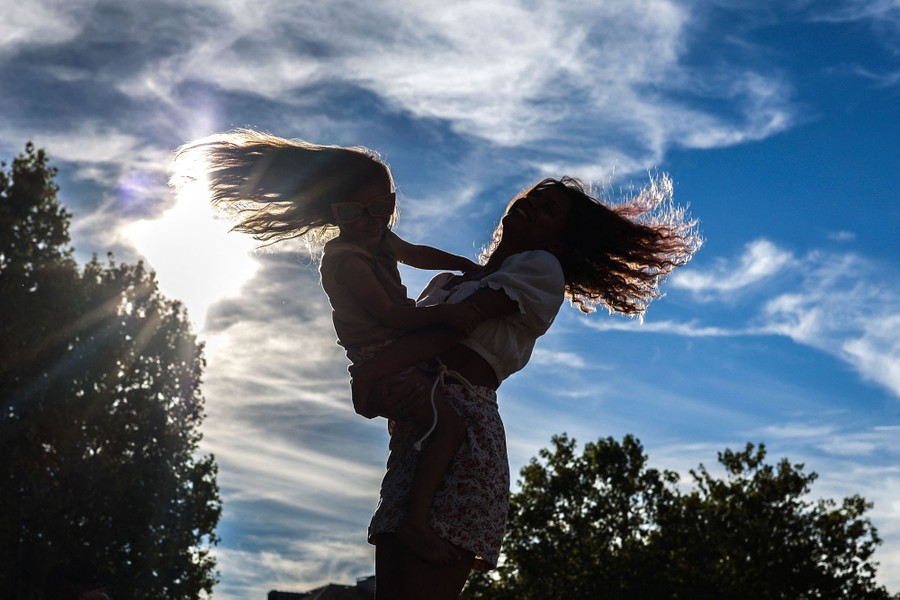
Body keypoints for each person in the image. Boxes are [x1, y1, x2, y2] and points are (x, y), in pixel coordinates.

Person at [350, 175, 702, 599]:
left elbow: (452, 332)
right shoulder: (446, 283)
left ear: (558, 242)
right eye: (535, 197)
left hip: (463, 438)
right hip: (414, 440)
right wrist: (377, 393)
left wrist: (377, 373)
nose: (533, 205)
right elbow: (404, 345)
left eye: (549, 209)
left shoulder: (539, 270)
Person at [170, 129, 486, 563]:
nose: (372, 219)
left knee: (427, 429)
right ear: (333, 213)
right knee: (447, 428)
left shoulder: (374, 236)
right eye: (354, 211)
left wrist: (463, 264)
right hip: (383, 357)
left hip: (403, 348)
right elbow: (392, 317)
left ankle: (417, 505)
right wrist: (444, 314)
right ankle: (415, 524)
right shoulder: (346, 259)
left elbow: (414, 252)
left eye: (382, 207)